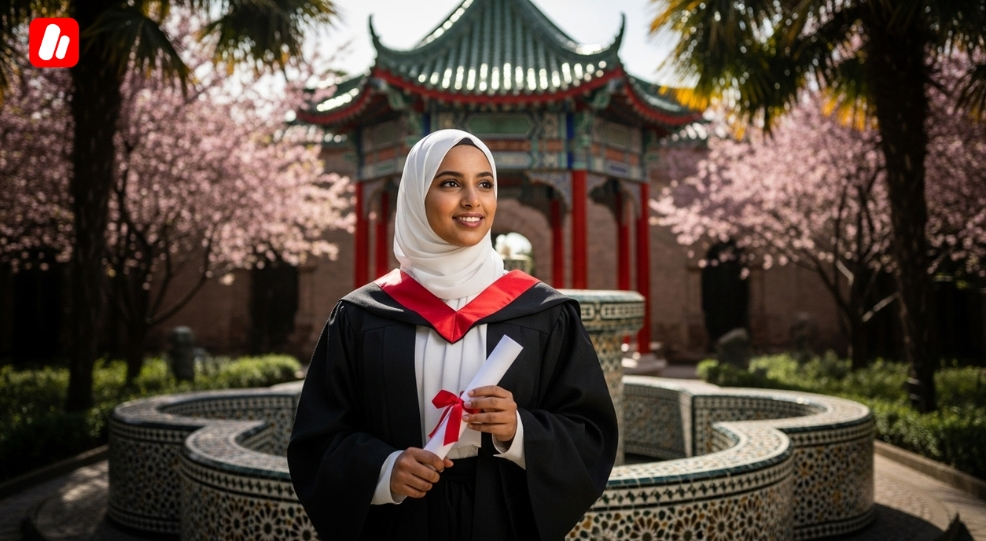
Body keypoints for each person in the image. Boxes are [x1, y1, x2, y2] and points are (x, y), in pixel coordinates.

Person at [287, 129, 618, 541]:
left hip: (503, 519)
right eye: (449, 183)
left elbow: (591, 435)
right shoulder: (361, 317)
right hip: (399, 524)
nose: (472, 200)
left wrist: (518, 430)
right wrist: (384, 470)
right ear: (415, 195)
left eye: (485, 183)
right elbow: (316, 442)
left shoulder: (543, 313)